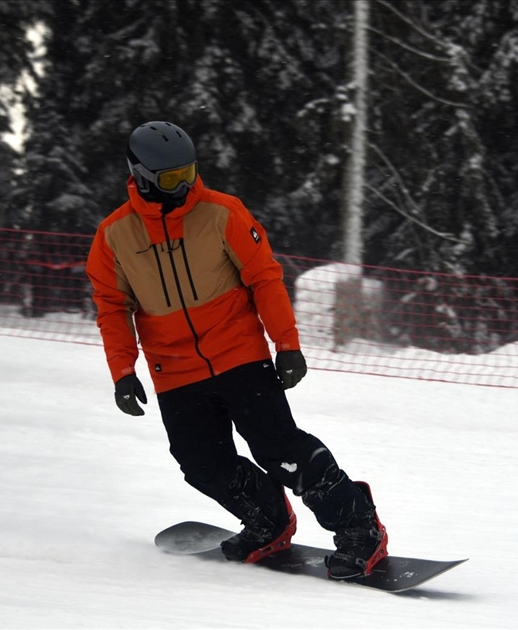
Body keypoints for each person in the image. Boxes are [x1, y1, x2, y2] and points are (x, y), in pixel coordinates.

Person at [85, 121, 388, 579]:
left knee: (281, 450)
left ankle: (359, 527)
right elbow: (111, 307)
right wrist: (122, 373)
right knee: (201, 463)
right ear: (141, 173)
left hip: (240, 354)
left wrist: (287, 344)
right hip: (175, 370)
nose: (185, 185)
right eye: (171, 178)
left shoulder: (223, 212)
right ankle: (268, 518)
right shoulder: (114, 236)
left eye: (190, 171)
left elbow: (265, 278)